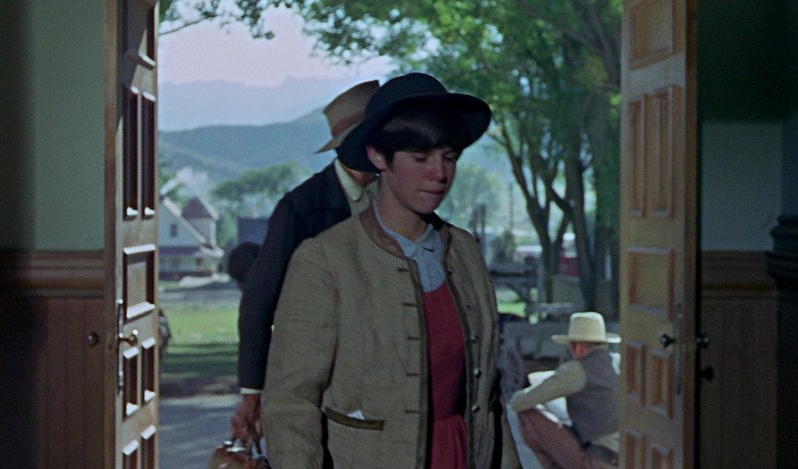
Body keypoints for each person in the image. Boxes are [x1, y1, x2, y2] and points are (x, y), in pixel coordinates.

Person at [261, 72, 521, 468]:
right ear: (379, 158)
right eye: (420, 158)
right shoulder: (326, 261)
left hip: (458, 454)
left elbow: (488, 394)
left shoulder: (464, 251)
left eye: (449, 157)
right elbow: (291, 403)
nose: (439, 173)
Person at [230, 80, 380, 445]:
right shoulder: (301, 207)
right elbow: (258, 301)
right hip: (321, 372)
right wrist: (252, 392)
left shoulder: (395, 198)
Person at [509, 311, 620, 468]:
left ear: (578, 346)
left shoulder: (578, 369)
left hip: (598, 459)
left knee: (528, 416)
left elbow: (518, 402)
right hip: (623, 456)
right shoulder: (618, 361)